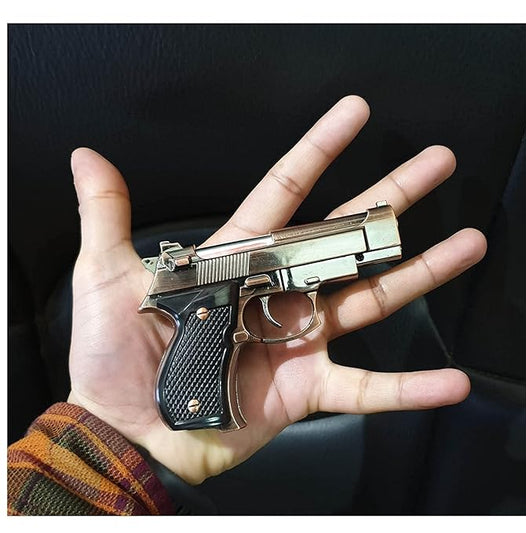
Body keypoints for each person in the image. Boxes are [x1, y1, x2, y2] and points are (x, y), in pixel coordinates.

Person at [7, 96, 487, 515]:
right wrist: (109, 433)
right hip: (202, 306)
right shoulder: (210, 292)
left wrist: (96, 451)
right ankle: (194, 410)